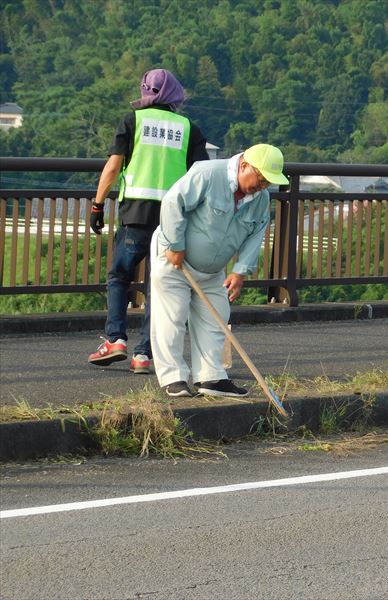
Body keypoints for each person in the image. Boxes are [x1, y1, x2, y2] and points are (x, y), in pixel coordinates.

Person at [88, 68, 209, 374]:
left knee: (119, 277)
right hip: (173, 221)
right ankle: (143, 355)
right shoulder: (188, 128)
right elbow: (200, 177)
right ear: (175, 94)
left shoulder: (133, 121)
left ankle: (115, 339)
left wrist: (98, 204)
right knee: (158, 286)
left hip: (135, 216)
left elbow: (113, 167)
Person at [149, 143, 288, 398]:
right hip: (174, 258)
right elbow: (172, 202)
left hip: (213, 270)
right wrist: (175, 244)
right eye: (260, 178)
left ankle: (210, 377)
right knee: (172, 316)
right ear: (244, 165)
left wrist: (240, 271)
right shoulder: (208, 174)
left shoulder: (261, 199)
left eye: (268, 182)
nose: (262, 186)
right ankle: (174, 378)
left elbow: (257, 233)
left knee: (216, 317)